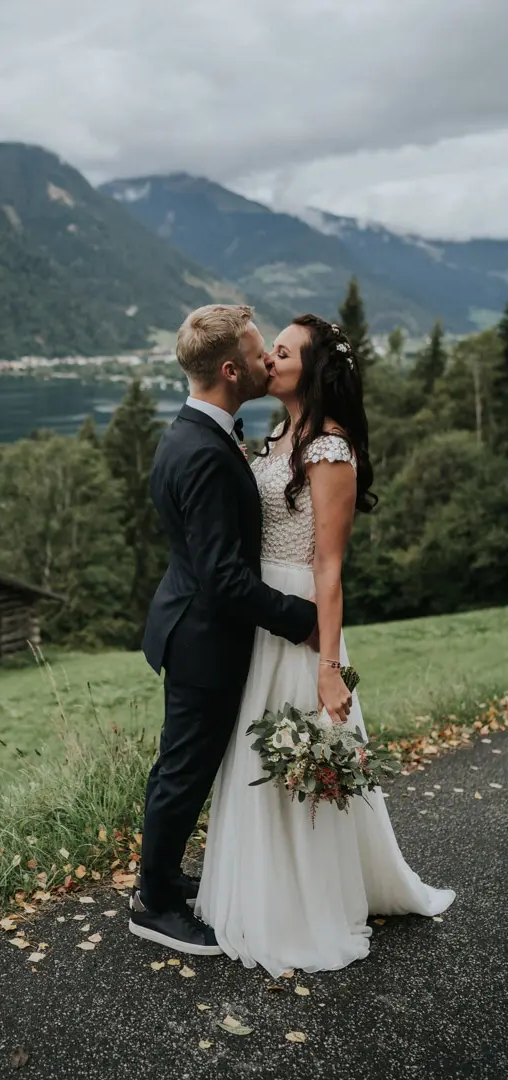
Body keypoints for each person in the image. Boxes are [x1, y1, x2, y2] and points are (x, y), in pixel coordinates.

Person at [194, 313, 455, 974]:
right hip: (265, 615)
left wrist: (331, 667)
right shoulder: (281, 432)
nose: (268, 360)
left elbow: (330, 568)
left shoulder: (330, 448)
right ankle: (263, 893)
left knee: (301, 758)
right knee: (260, 756)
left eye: (281, 352)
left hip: (304, 620)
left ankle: (306, 905)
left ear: (310, 370)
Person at [131, 304, 320, 955]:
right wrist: (303, 619)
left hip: (190, 625)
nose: (272, 360)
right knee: (184, 768)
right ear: (232, 369)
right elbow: (223, 580)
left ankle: (161, 878)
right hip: (204, 636)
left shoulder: (192, 431)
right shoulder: (206, 453)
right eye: (262, 351)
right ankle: (153, 902)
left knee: (183, 763)